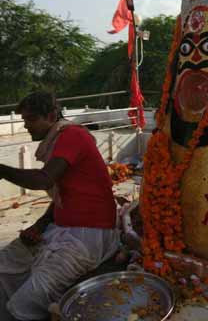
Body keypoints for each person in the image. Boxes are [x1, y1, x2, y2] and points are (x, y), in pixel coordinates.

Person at [0, 92, 119, 320]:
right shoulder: (56, 141)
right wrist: (41, 224)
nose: (26, 126)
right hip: (61, 230)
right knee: (5, 263)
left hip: (88, 235)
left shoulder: (72, 135)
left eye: (31, 119)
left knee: (27, 301)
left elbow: (43, 180)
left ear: (52, 115)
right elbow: (62, 196)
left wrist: (2, 170)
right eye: (24, 120)